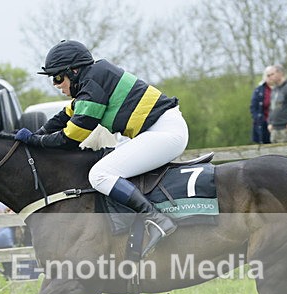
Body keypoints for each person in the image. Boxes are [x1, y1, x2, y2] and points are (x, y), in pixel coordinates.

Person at [14, 40, 188, 258]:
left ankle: (156, 219)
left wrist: (35, 140)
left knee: (99, 174)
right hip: (157, 130)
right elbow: (64, 116)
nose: (56, 85)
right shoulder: (93, 80)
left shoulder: (92, 87)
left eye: (57, 78)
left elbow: (69, 139)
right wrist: (37, 134)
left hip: (164, 133)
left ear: (74, 71)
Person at [250, 66, 275, 144]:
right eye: (268, 75)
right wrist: (258, 119)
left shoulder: (284, 88)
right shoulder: (259, 91)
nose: (270, 77)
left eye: (272, 74)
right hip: (264, 124)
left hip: (280, 124)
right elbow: (253, 108)